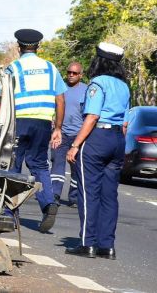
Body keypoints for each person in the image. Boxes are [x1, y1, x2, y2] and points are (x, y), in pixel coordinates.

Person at [64, 42, 130, 260]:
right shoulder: (124, 86)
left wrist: (75, 145)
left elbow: (92, 116)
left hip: (97, 139)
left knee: (88, 192)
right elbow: (125, 123)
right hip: (117, 140)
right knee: (109, 195)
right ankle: (107, 246)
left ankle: (88, 243)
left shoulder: (97, 84)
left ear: (99, 61)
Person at [5, 29, 68, 233]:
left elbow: (4, 98)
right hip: (42, 122)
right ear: (38, 47)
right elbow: (60, 99)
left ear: (19, 47)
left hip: (19, 121)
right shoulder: (51, 68)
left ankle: (8, 214)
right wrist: (57, 127)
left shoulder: (13, 67)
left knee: (13, 166)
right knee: (39, 164)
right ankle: (49, 203)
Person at [50, 62, 87, 208]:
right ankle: (54, 195)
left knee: (76, 168)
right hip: (61, 134)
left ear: (81, 75)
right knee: (57, 164)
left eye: (75, 73)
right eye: (69, 72)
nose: (71, 75)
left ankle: (74, 197)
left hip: (78, 136)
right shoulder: (59, 88)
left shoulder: (86, 90)